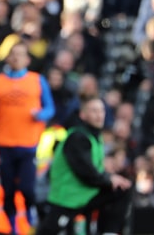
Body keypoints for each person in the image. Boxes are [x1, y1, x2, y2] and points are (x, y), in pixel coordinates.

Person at [0, 41, 55, 233]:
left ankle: (30, 210)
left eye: (20, 54)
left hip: (28, 142)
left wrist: (40, 114)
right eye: (13, 54)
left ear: (27, 59)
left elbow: (50, 108)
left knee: (27, 187)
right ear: (8, 57)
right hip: (4, 142)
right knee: (8, 190)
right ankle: (12, 225)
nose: (16, 58)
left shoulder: (37, 80)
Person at [35, 97, 132, 235]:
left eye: (101, 111)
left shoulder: (95, 137)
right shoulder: (77, 137)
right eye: (94, 111)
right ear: (83, 115)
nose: (99, 115)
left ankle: (109, 232)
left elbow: (95, 170)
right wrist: (109, 179)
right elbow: (86, 172)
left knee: (122, 189)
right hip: (66, 199)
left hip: (83, 196)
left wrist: (110, 177)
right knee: (49, 230)